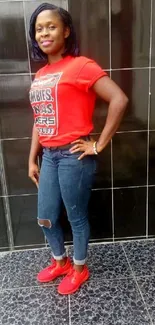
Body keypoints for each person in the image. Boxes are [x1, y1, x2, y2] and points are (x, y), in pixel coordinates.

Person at [28, 2, 128, 295]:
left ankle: (80, 269)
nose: (44, 33)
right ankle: (61, 262)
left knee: (76, 217)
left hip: (74, 155)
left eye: (51, 26)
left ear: (66, 31)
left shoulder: (81, 65)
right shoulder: (40, 75)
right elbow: (39, 117)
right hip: (48, 156)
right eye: (39, 28)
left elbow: (119, 100)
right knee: (45, 215)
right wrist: (32, 157)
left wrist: (98, 144)